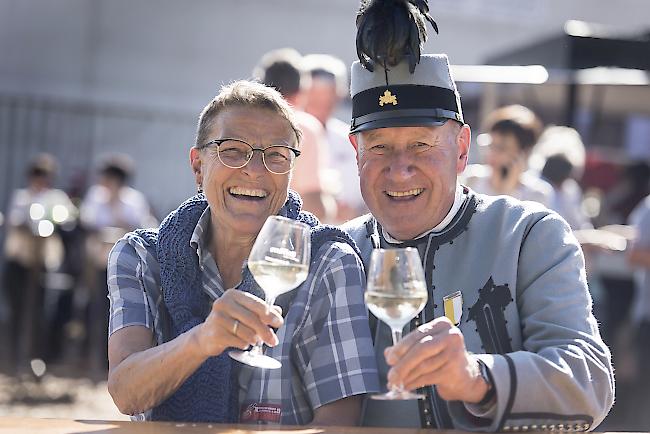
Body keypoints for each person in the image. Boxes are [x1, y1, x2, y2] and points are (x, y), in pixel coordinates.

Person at [340, 0, 614, 431]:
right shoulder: (336, 253)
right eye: (379, 147)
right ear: (356, 154)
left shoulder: (528, 236)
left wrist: (476, 378)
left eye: (421, 145)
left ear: (463, 148)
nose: (399, 169)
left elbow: (589, 383)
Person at [106, 80, 379, 424]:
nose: (255, 170)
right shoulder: (141, 257)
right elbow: (125, 392)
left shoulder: (329, 262)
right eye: (232, 151)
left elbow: (339, 425)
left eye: (276, 156)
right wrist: (202, 340)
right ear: (198, 167)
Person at [80, 154, 157, 371]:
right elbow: (87, 222)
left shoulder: (134, 200)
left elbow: (142, 228)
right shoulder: (95, 197)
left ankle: (111, 362)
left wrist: (117, 213)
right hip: (97, 262)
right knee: (93, 309)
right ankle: (90, 357)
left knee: (118, 312)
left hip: (125, 267)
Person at [2, 153, 77, 368]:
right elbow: (15, 221)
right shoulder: (22, 198)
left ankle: (36, 357)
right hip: (19, 262)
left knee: (41, 313)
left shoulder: (56, 199)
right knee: (17, 310)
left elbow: (67, 220)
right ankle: (14, 357)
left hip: (43, 264)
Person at [253, 48, 335, 222]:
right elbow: (314, 204)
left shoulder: (243, 124)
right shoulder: (305, 127)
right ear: (302, 90)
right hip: (284, 234)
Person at [302, 54, 367, 221]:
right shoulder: (288, 138)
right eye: (315, 98)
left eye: (328, 98)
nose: (321, 105)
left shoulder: (350, 138)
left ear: (338, 96)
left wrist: (356, 212)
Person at [463, 105, 554, 207]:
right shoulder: (471, 180)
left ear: (522, 153)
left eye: (502, 148)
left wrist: (507, 190)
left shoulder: (538, 194)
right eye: (491, 145)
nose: (493, 153)